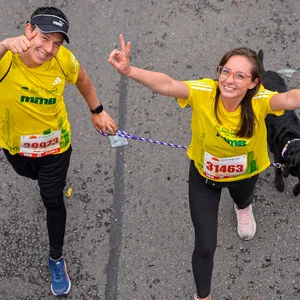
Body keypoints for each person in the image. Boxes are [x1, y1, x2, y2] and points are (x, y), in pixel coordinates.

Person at [108, 34, 300, 300]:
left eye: (240, 76)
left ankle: (243, 207)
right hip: (204, 178)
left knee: (243, 198)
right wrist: (129, 70)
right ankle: (203, 297)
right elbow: (167, 84)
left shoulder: (260, 101)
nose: (229, 80)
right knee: (206, 245)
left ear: (254, 83)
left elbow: (290, 99)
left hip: (246, 173)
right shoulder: (204, 92)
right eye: (226, 71)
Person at [0, 6, 117, 297]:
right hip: (15, 147)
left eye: (57, 43)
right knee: (28, 176)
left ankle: (56, 257)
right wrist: (3, 45)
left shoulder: (63, 60)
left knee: (52, 199)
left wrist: (97, 111)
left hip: (55, 146)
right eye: (44, 38)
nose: (49, 48)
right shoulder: (6, 60)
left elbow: (83, 80)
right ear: (28, 30)